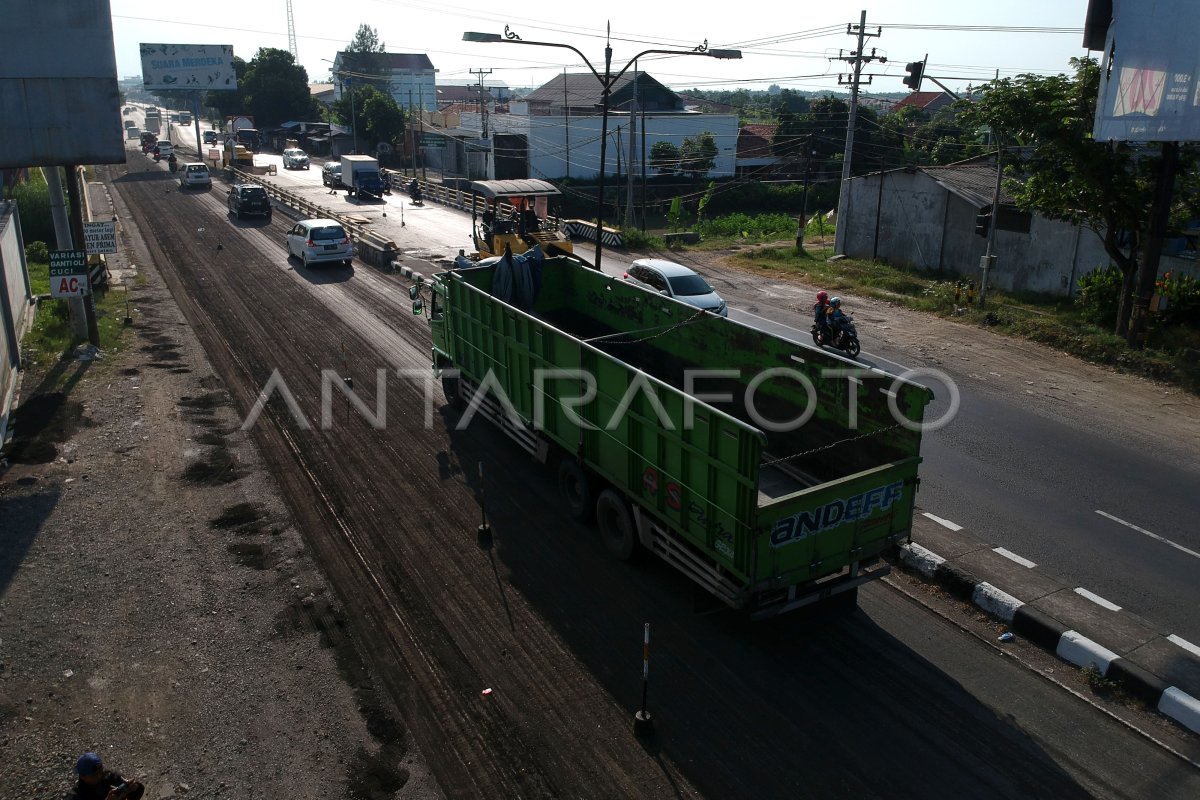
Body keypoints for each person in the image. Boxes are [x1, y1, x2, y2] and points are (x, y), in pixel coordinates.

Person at [72, 752, 144, 800]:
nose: (99, 776)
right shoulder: (77, 795)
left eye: (101, 771)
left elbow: (134, 797)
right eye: (94, 775)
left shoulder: (112, 777)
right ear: (82, 776)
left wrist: (134, 788)